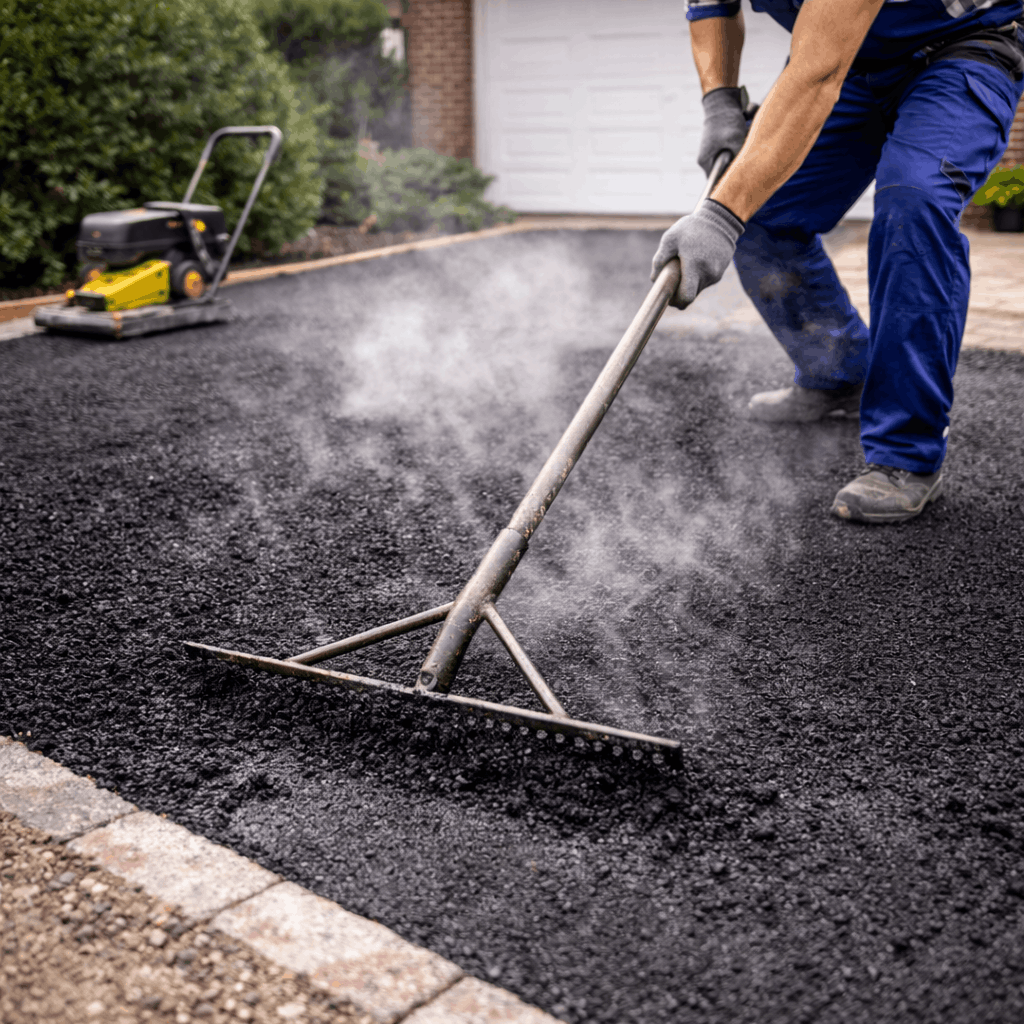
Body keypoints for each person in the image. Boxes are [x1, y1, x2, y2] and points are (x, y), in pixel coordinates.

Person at [651, 0, 1024, 523]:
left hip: (959, 48)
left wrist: (718, 217)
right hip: (853, 60)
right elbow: (712, 7)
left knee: (914, 203)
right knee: (764, 209)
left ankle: (906, 453)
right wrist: (719, 103)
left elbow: (818, 71)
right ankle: (837, 372)